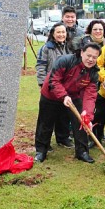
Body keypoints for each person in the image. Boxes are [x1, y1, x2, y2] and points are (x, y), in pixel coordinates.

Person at [35, 43, 102, 164]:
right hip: (51, 94)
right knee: (45, 123)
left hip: (73, 96)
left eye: (94, 57)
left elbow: (90, 96)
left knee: (81, 122)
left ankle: (82, 151)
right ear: (82, 53)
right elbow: (54, 80)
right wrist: (63, 96)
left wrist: (87, 116)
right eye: (88, 55)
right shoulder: (65, 61)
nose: (91, 59)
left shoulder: (94, 73)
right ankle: (41, 150)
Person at [34, 22, 74, 156]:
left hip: (65, 89)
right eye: (59, 32)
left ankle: (62, 138)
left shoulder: (70, 47)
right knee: (46, 119)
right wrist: (42, 84)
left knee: (63, 116)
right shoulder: (47, 48)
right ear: (53, 34)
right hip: (50, 88)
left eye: (63, 32)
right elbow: (40, 67)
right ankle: (42, 145)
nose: (61, 35)